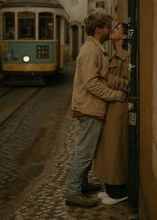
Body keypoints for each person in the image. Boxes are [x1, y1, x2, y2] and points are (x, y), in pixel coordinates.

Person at [66, 12, 126, 208]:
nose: (110, 29)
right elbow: (91, 83)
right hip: (90, 108)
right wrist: (115, 95)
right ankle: (73, 193)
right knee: (84, 151)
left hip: (91, 107)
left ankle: (82, 185)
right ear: (99, 30)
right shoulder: (91, 50)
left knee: (87, 149)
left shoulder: (94, 48)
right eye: (108, 26)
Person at [93, 22, 131, 205]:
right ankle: (110, 188)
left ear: (123, 36)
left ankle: (119, 192)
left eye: (117, 29)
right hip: (111, 104)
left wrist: (109, 78)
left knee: (115, 148)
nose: (113, 31)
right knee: (108, 147)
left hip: (119, 107)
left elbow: (128, 83)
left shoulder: (127, 56)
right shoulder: (114, 53)